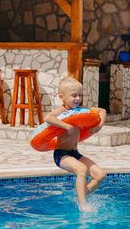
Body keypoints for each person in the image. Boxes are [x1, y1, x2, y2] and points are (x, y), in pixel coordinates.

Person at [44, 76, 107, 212]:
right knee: (81, 169)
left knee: (101, 175)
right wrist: (66, 126)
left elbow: (102, 111)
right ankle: (83, 205)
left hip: (75, 153)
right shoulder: (62, 111)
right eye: (74, 96)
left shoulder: (80, 111)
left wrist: (99, 126)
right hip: (61, 154)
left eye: (80, 95)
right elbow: (48, 118)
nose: (78, 98)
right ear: (62, 97)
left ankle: (80, 195)